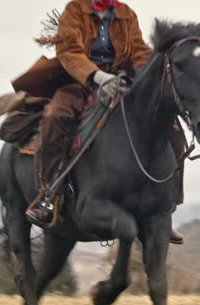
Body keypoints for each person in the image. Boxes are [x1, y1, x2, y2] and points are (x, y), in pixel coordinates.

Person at [15, 0, 186, 244]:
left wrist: (151, 74)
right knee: (54, 117)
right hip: (79, 82)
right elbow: (69, 52)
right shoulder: (75, 10)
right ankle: (49, 195)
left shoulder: (126, 14)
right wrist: (98, 76)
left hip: (120, 80)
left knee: (172, 127)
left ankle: (165, 210)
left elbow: (139, 51)